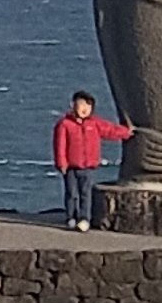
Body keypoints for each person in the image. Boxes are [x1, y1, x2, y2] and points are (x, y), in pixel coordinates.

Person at [51, 92, 135, 230]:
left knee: (85, 193)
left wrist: (126, 132)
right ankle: (71, 216)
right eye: (82, 104)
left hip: (88, 166)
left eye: (88, 106)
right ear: (73, 105)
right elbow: (60, 145)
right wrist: (61, 163)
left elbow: (110, 130)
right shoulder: (64, 124)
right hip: (71, 166)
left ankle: (84, 218)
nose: (85, 109)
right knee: (71, 193)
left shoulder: (94, 123)